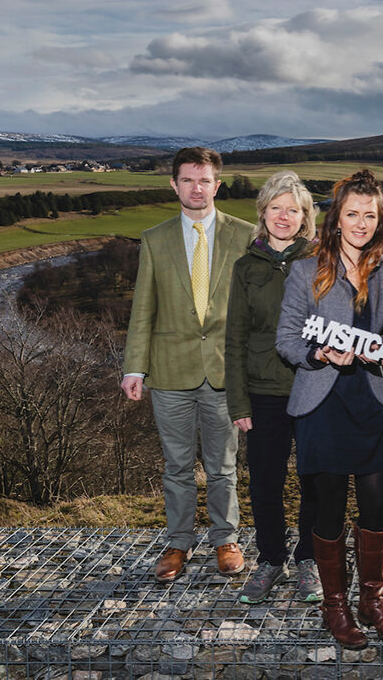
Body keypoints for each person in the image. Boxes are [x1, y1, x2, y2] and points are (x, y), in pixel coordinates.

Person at [275, 170, 383, 650]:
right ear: (336, 218)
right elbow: (286, 338)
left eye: (370, 215)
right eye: (353, 214)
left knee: (374, 506)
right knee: (327, 509)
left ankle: (373, 599)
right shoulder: (307, 270)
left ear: (380, 219)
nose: (361, 223)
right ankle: (336, 605)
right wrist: (321, 353)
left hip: (368, 400)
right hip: (320, 403)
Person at [121, 147, 253, 583]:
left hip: (224, 370)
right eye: (188, 180)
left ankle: (225, 540)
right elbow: (144, 309)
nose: (197, 188)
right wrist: (133, 368)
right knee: (176, 466)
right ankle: (177, 543)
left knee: (222, 465)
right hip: (169, 371)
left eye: (205, 180)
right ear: (174, 184)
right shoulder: (154, 239)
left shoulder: (245, 235)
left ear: (217, 184)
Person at [225, 170, 323, 604]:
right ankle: (270, 558)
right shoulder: (246, 267)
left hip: (315, 386)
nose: (284, 216)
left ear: (305, 218)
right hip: (263, 391)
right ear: (263, 213)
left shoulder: (323, 261)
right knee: (265, 480)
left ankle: (309, 559)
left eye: (294, 210)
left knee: (315, 479)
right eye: (276, 208)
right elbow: (234, 339)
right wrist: (238, 400)